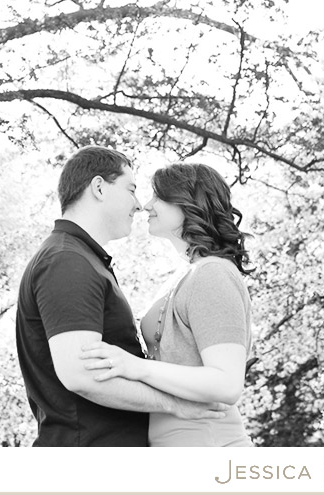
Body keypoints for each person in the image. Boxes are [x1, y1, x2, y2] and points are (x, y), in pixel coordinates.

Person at [15, 146, 228, 447]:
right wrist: (173, 404)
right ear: (99, 188)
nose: (139, 205)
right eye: (131, 190)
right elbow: (81, 374)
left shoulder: (81, 259)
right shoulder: (66, 261)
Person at [79, 162, 254, 447]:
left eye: (158, 196)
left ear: (188, 203)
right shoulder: (186, 274)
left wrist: (136, 367)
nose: (146, 205)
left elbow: (227, 383)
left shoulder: (213, 274)